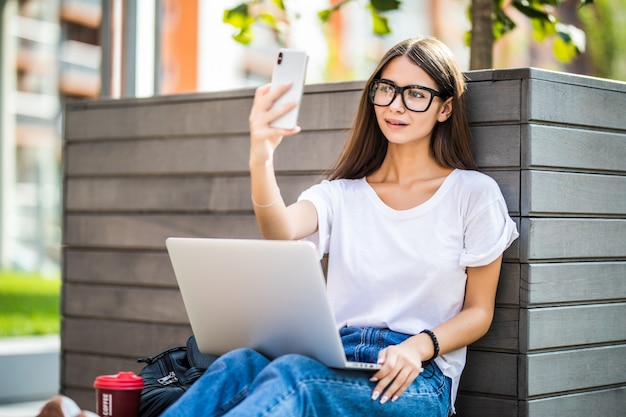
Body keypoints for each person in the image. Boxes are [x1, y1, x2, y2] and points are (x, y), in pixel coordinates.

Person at [161, 36, 518, 417]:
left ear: (445, 108)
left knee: (293, 376)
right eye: (387, 90)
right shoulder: (340, 195)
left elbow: (479, 311)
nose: (395, 106)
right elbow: (280, 228)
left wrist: (418, 346)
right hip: (336, 356)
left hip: (416, 375)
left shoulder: (474, 194)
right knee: (238, 364)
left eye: (415, 94)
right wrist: (260, 156)